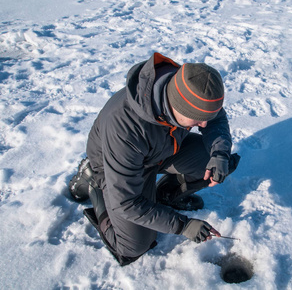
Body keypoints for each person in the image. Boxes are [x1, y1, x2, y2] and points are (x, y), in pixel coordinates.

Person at [68, 52, 240, 266]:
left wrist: (219, 153)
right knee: (134, 246)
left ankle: (166, 195)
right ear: (178, 108)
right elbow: (126, 203)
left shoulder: (190, 88)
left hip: (161, 151)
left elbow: (215, 118)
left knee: (220, 164)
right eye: (198, 120)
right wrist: (182, 226)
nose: (204, 125)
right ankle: (94, 184)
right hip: (118, 169)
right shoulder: (125, 126)